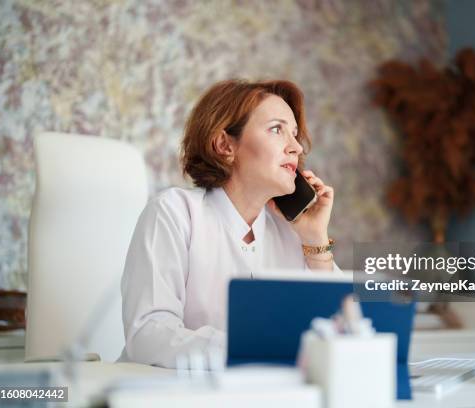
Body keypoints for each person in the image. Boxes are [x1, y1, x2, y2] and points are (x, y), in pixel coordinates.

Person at [120, 79, 340, 367]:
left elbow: (339, 333)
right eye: (277, 129)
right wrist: (253, 348)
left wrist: (315, 240)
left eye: (295, 135)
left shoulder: (291, 233)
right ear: (225, 144)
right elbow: (147, 334)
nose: (296, 147)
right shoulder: (174, 213)